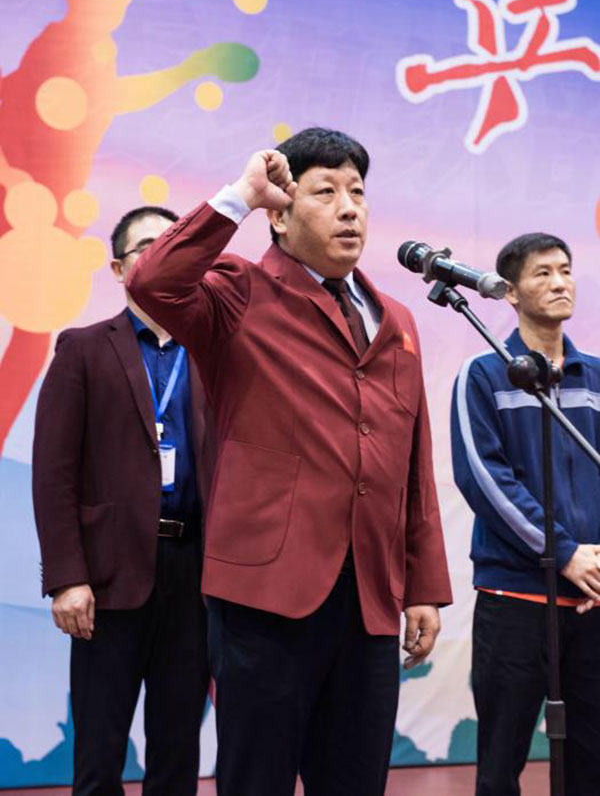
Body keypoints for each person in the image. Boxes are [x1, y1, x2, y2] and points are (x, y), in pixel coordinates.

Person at [128, 127, 452, 796]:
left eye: (357, 192)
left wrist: (422, 585)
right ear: (280, 214)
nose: (349, 208)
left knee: (355, 781)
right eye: (325, 192)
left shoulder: (395, 318)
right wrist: (240, 195)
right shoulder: (239, 292)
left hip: (370, 594)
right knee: (259, 780)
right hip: (267, 592)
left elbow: (412, 460)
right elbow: (152, 282)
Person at [32, 205, 214, 795]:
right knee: (99, 754)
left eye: (174, 247)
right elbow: (54, 474)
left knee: (178, 750)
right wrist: (67, 578)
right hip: (108, 579)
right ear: (118, 269)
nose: (162, 258)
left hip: (195, 574)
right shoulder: (84, 349)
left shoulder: (213, 352)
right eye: (146, 249)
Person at [451, 232, 600, 795]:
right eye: (543, 273)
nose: (560, 283)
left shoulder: (597, 376)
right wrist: (565, 553)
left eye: (565, 270)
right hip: (515, 600)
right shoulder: (484, 374)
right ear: (510, 292)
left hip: (591, 600)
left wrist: (594, 566)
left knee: (591, 761)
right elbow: (484, 478)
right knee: (500, 767)